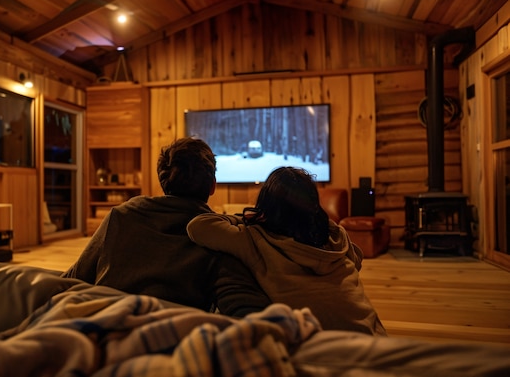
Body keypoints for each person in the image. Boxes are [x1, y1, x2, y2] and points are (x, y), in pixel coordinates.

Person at [62, 137, 270, 316]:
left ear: (163, 181)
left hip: (101, 322)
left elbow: (72, 281)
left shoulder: (120, 215)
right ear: (213, 185)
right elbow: (246, 306)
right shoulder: (216, 236)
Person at [187, 166, 387, 335]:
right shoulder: (336, 234)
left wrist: (251, 217)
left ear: (266, 205)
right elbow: (357, 261)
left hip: (327, 350)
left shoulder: (254, 239)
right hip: (372, 335)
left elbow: (198, 226)